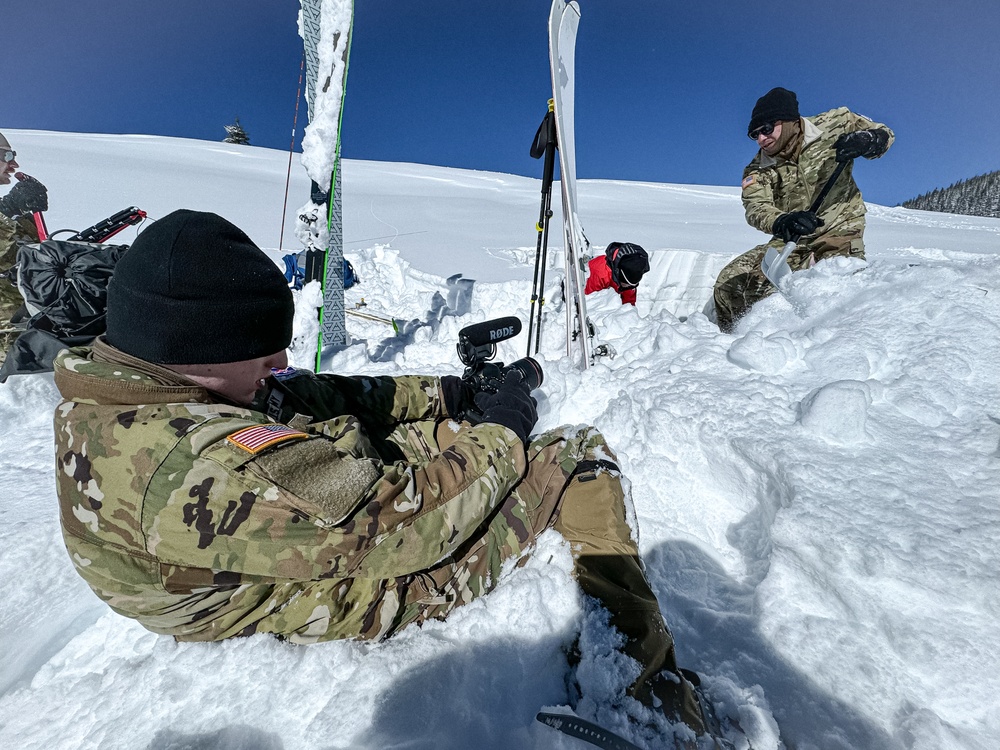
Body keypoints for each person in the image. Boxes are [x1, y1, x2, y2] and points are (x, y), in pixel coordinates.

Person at [52, 209, 715, 742]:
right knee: (572, 450)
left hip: (275, 545)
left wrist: (455, 396)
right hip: (374, 577)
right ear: (193, 348)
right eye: (260, 349)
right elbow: (410, 525)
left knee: (445, 439)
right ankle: (647, 698)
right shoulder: (205, 461)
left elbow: (313, 395)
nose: (279, 358)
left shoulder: (141, 387)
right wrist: (504, 431)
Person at [713, 87, 894, 332]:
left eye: (766, 129)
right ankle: (727, 338)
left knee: (833, 290)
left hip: (839, 226)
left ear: (789, 120)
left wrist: (870, 141)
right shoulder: (758, 169)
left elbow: (882, 132)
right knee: (729, 282)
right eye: (754, 134)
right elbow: (756, 206)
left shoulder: (836, 122)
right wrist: (781, 222)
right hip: (792, 234)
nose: (761, 139)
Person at [0, 131, 49, 361]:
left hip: (29, 343)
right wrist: (7, 210)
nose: (14, 164)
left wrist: (29, 219)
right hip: (11, 357)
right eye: (6, 155)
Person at [585, 241, 650, 306]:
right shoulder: (598, 273)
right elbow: (589, 303)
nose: (629, 287)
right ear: (619, 274)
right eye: (626, 284)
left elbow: (629, 302)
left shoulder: (631, 273)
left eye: (631, 286)